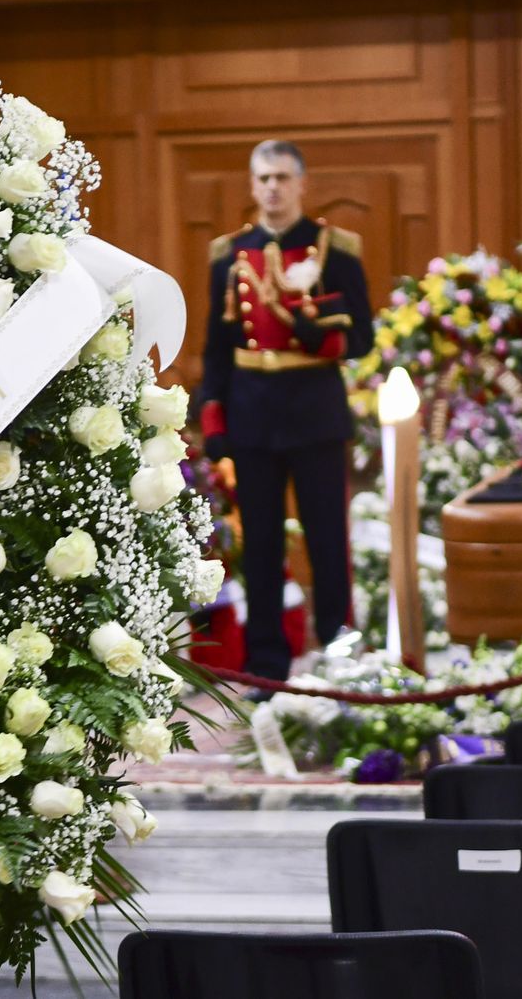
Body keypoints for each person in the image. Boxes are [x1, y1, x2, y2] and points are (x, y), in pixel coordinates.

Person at [198, 140, 374, 701]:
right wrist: (214, 416)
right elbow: (218, 345)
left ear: (301, 183)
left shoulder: (335, 249)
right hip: (253, 414)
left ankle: (335, 652)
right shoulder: (230, 255)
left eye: (281, 177)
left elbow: (362, 337)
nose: (271, 187)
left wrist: (312, 323)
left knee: (327, 541)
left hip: (315, 411)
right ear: (252, 186)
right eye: (262, 178)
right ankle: (268, 666)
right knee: (263, 548)